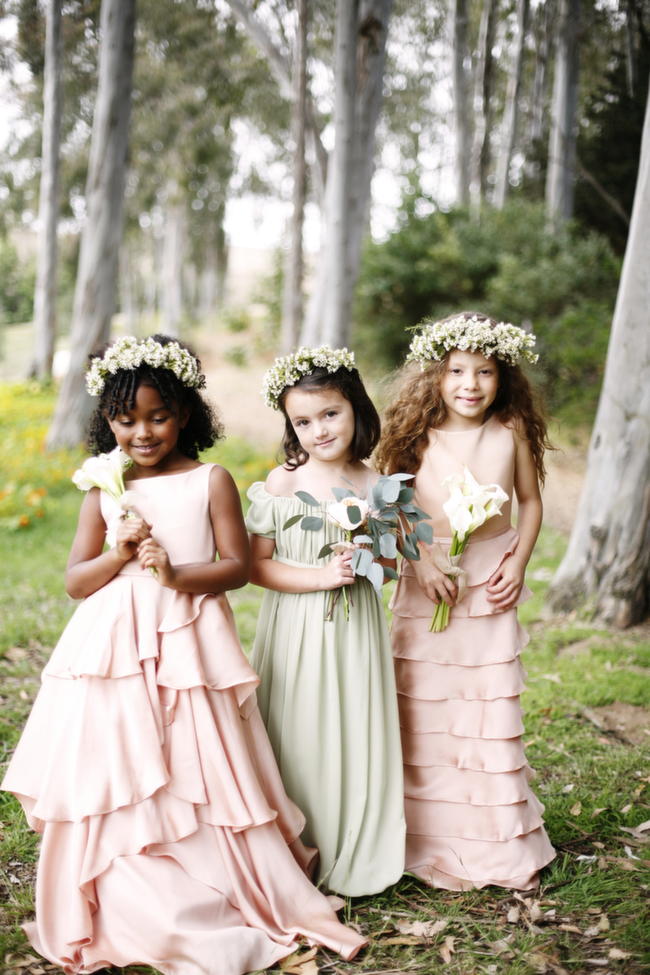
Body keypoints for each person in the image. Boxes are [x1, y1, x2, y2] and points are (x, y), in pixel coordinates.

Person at [2, 334, 366, 975]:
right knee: (120, 763)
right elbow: (75, 581)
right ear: (107, 420)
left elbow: (235, 568)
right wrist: (119, 552)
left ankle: (212, 873)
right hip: (113, 646)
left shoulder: (210, 480)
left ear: (187, 413)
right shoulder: (103, 485)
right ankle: (125, 884)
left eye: (158, 416)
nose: (142, 432)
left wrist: (174, 574)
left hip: (189, 636)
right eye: (126, 419)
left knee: (197, 758)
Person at [375, 312, 556, 891]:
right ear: (436, 374)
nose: (470, 385)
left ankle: (493, 844)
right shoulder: (413, 435)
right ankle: (421, 836)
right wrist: (420, 561)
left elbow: (528, 503)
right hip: (426, 578)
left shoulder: (511, 432)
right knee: (425, 706)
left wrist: (518, 561)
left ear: (503, 378)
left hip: (488, 579)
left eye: (485, 371)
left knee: (484, 706)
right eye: (456, 371)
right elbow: (391, 504)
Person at [245, 346, 405, 897]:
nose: (319, 430)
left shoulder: (373, 481)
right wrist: (319, 576)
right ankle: (296, 845)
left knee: (353, 724)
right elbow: (254, 567)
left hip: (356, 628)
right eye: (303, 421)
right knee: (300, 729)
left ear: (356, 408)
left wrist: (370, 550)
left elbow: (387, 565)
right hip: (298, 627)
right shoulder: (284, 483)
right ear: (291, 427)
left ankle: (353, 843)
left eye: (330, 414)